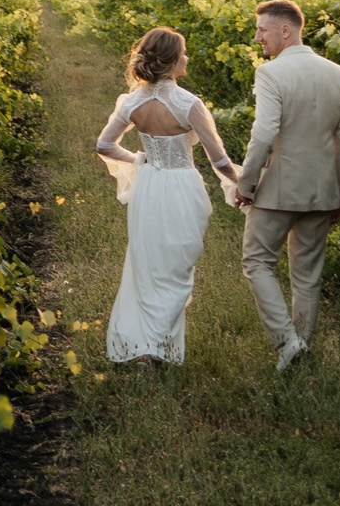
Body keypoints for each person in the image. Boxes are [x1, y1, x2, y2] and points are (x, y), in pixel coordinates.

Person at [94, 26, 239, 364]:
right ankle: (156, 345)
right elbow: (218, 158)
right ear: (173, 61)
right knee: (177, 263)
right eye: (183, 53)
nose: (187, 58)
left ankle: (146, 343)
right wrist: (241, 182)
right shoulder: (189, 105)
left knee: (149, 265)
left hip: (150, 186)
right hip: (181, 187)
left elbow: (104, 145)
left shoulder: (134, 102)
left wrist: (140, 160)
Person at [229, 0, 340, 372]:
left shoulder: (271, 74)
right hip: (322, 190)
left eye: (262, 30)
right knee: (308, 274)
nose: (258, 38)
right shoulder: (336, 73)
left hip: (277, 190)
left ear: (286, 30)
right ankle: (301, 347)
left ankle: (286, 340)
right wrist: (339, 193)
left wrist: (246, 183)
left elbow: (264, 132)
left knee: (256, 262)